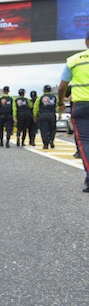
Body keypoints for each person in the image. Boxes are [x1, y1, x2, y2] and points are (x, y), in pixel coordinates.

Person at [58, 30, 89, 192]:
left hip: (82, 105)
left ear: (86, 41)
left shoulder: (74, 60)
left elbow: (63, 86)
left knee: (85, 142)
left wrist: (61, 101)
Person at [34, 85, 57, 150]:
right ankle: (51, 140)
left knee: (44, 130)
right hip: (52, 114)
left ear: (44, 90)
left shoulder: (40, 97)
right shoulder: (54, 97)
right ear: (50, 90)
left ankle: (45, 144)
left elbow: (36, 106)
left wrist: (35, 115)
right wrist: (60, 114)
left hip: (43, 115)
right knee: (53, 129)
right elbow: (58, 105)